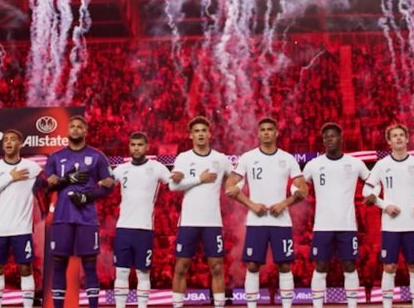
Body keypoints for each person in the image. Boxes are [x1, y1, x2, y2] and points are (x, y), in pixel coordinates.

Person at [226, 118, 307, 308]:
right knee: (252, 265)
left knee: (284, 265)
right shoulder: (248, 158)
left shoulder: (288, 158)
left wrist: (284, 203)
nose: (266, 132)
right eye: (262, 129)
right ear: (258, 133)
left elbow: (303, 190)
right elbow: (229, 186)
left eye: (270, 129)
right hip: (256, 222)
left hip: (281, 222)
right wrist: (251, 204)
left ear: (276, 132)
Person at [362, 124, 414, 308]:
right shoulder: (382, 165)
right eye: (394, 136)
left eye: (401, 135)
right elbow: (366, 191)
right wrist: (385, 206)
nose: (398, 138)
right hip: (390, 226)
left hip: (412, 225)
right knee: (389, 267)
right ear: (389, 142)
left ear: (407, 138)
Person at [46, 116, 113, 308]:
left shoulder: (97, 156)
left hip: (87, 218)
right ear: (68, 131)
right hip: (62, 217)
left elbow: (109, 185)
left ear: (85, 131)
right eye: (72, 126)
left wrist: (87, 197)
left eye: (79, 127)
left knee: (90, 264)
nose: (75, 129)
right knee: (59, 263)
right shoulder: (55, 157)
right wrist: (66, 180)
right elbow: (48, 186)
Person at [301, 123, 369, 308]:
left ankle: (352, 305)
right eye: (325, 137)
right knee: (321, 267)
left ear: (341, 138)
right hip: (322, 226)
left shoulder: (355, 163)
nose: (329, 139)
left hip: (347, 225)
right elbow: (297, 184)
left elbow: (372, 181)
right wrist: (298, 192)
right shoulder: (314, 164)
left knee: (349, 266)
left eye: (332, 136)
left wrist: (370, 195)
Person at [169, 117, 232, 308]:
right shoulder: (183, 158)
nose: (200, 134)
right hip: (188, 221)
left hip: (212, 222)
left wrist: (231, 188)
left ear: (209, 133)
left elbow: (236, 178)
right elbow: (173, 186)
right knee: (181, 267)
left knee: (217, 267)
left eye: (203, 130)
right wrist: (199, 179)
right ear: (191, 135)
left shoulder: (221, 159)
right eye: (196, 131)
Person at [0, 130, 43, 308]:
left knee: (25, 268)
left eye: (13, 139)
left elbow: (49, 183)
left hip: (22, 228)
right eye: (5, 140)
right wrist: (10, 177)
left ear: (20, 144)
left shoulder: (32, 167)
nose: (8, 142)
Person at [112, 132, 171, 308]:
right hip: (123, 228)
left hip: (144, 229)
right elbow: (105, 186)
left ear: (146, 147)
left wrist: (192, 179)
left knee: (143, 273)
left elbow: (174, 184)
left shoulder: (158, 168)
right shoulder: (121, 169)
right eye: (133, 145)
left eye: (139, 145)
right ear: (129, 147)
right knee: (121, 272)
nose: (136, 148)